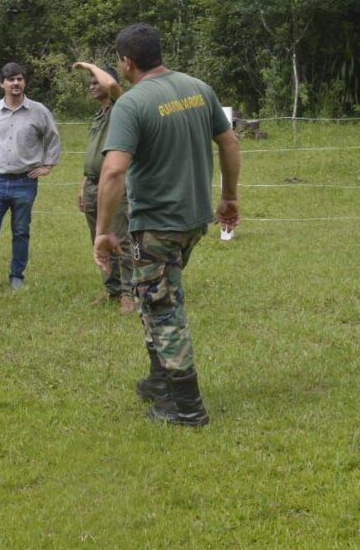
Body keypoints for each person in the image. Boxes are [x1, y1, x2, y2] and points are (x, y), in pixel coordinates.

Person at [94, 23, 240, 426]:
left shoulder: (132, 103)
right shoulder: (197, 88)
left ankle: (187, 407)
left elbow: (113, 171)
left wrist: (103, 230)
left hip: (157, 223)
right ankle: (160, 381)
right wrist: (229, 196)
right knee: (153, 294)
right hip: (192, 219)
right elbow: (229, 141)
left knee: (163, 308)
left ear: (126, 62)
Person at [0, 62, 62, 295]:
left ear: (24, 82)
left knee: (21, 230)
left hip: (25, 182)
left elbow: (53, 137)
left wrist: (47, 166)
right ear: (2, 84)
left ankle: (16, 276)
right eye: (10, 79)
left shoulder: (38, 111)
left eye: (19, 79)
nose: (16, 83)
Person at [73, 61, 135, 313]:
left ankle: (129, 293)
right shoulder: (99, 115)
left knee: (120, 238)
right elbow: (94, 154)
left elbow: (112, 84)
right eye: (90, 82)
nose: (92, 85)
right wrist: (84, 184)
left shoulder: (122, 108)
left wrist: (88, 65)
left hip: (114, 185)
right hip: (93, 185)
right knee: (98, 238)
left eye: (95, 81)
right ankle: (112, 289)